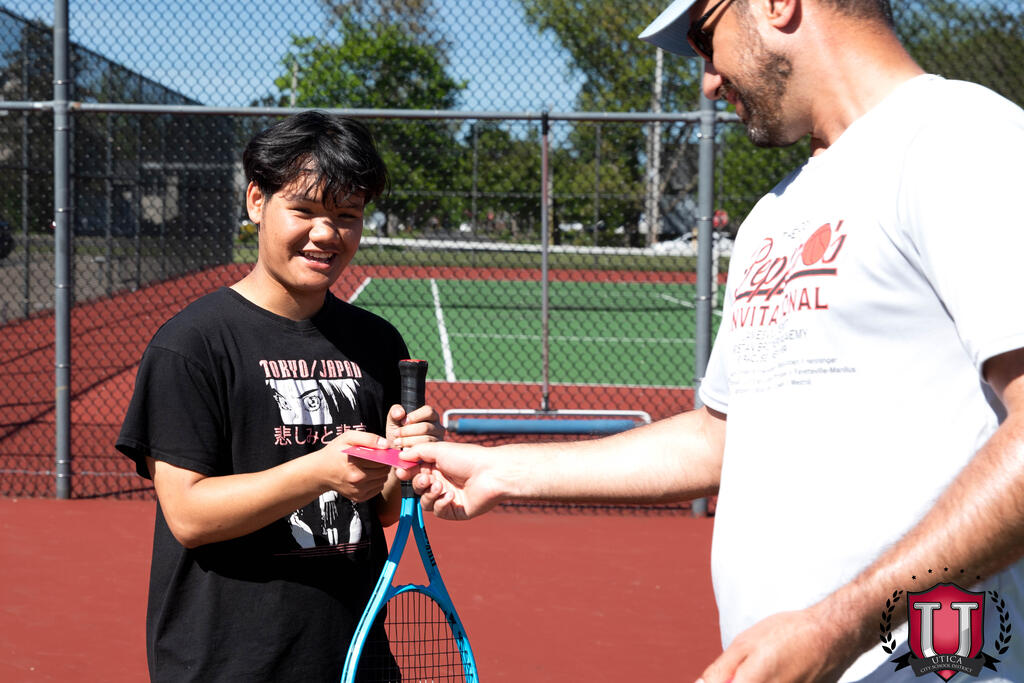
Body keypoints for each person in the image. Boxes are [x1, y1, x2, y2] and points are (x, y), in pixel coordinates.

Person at [400, 1, 1024, 681]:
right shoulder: (774, 215)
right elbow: (720, 438)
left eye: (704, 38)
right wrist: (502, 471)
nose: (707, 80)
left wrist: (839, 625)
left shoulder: (962, 138)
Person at [116, 111, 443, 682]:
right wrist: (318, 471)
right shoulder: (192, 344)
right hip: (228, 664)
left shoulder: (376, 342)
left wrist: (402, 460)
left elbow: (383, 509)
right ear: (256, 202)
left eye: (347, 215)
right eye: (305, 210)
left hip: (352, 656)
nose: (327, 234)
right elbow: (188, 514)